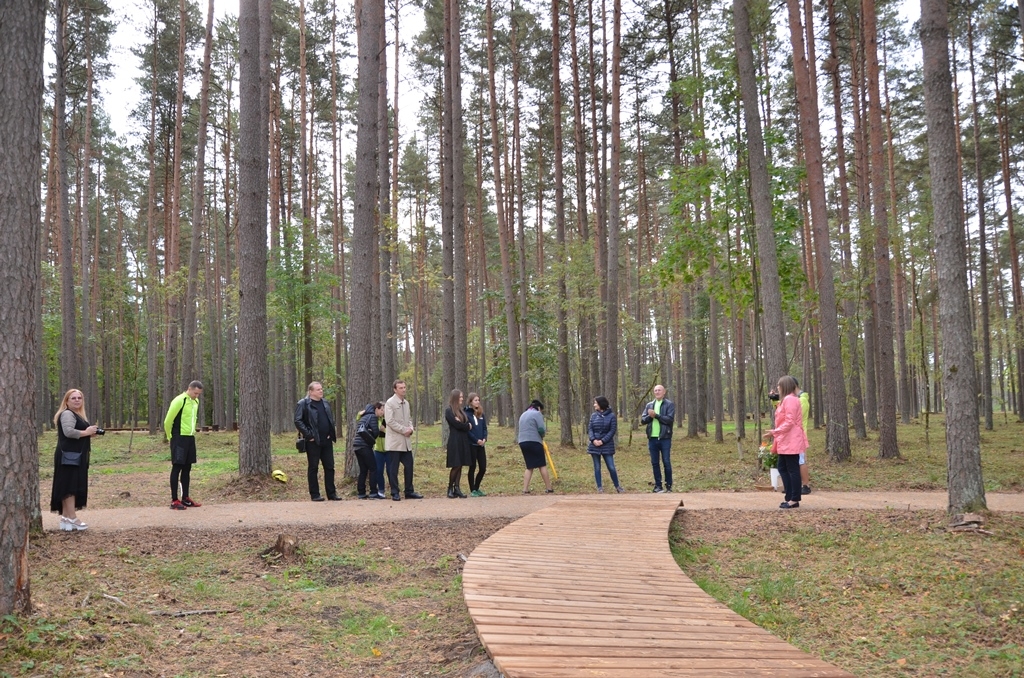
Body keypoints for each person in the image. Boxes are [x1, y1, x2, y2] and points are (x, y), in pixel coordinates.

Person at [50, 389, 99, 531]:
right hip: (69, 456)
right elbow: (69, 432)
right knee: (69, 487)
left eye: (79, 398)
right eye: (73, 398)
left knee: (68, 486)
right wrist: (86, 432)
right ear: (67, 401)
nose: (77, 400)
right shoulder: (67, 414)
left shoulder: (77, 415)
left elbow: (76, 432)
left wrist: (89, 434)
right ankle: (72, 518)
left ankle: (66, 518)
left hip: (73, 456)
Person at [762, 375, 808, 509]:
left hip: (791, 440)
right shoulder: (786, 400)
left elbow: (790, 421)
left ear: (785, 386)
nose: (777, 387)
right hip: (785, 439)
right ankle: (789, 496)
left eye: (779, 385)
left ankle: (794, 498)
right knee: (782, 467)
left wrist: (774, 432)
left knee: (792, 469)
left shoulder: (791, 400)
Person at [294, 381, 340, 502]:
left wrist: (331, 432)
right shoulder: (304, 404)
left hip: (327, 440)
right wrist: (309, 435)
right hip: (313, 442)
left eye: (321, 389)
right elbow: (298, 421)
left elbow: (330, 419)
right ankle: (315, 494)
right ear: (311, 391)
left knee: (330, 467)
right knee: (313, 467)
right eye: (318, 389)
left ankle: (332, 493)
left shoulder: (325, 403)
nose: (321, 391)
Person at [164, 380, 204, 510]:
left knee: (187, 468)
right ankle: (174, 500)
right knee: (177, 467)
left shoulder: (195, 402)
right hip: (179, 438)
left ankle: (185, 498)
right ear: (189, 389)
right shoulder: (180, 400)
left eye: (199, 394)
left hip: (189, 437)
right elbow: (168, 421)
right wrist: (171, 437)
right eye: (195, 393)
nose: (196, 396)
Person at [384, 379, 422, 500]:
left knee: (409, 465)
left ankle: (409, 490)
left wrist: (410, 428)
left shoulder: (406, 403)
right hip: (395, 442)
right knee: (393, 468)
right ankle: (395, 492)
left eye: (404, 387)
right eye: (401, 388)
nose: (403, 390)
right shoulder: (390, 403)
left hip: (406, 442)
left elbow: (409, 419)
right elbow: (389, 421)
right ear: (395, 389)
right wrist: (403, 429)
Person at [640, 384, 675, 493]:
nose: (657, 392)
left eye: (659, 390)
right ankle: (658, 486)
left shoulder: (669, 404)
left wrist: (656, 416)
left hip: (665, 438)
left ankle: (668, 486)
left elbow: (669, 419)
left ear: (664, 392)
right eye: (655, 390)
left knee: (666, 462)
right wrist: (650, 417)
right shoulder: (649, 405)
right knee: (655, 463)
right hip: (652, 438)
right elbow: (643, 420)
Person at [588, 396, 623, 493]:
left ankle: (617, 486)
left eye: (596, 403)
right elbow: (590, 429)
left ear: (601, 404)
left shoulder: (611, 416)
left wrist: (602, 441)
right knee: (597, 467)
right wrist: (593, 440)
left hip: (607, 445)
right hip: (594, 446)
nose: (594, 405)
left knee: (611, 467)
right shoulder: (593, 416)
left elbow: (612, 431)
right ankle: (599, 488)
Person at [518, 399, 553, 494]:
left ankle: (525, 489)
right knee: (542, 464)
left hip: (522, 442)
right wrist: (542, 436)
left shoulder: (523, 414)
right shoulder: (537, 414)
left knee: (529, 466)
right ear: (538, 408)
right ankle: (549, 487)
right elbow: (541, 429)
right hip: (534, 441)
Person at [354, 402, 385, 499]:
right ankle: (373, 492)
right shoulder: (372, 417)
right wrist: (380, 430)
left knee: (363, 470)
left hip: (357, 446)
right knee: (373, 468)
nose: (383, 412)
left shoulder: (364, 416)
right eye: (382, 410)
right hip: (365, 446)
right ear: (376, 409)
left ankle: (361, 492)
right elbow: (375, 432)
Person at [444, 390, 472, 498]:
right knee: (456, 465)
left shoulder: (461, 411)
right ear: (455, 398)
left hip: (463, 440)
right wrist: (464, 425)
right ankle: (450, 488)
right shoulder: (449, 411)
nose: (462, 398)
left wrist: (464, 424)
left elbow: (468, 424)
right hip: (455, 440)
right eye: (460, 397)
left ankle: (457, 488)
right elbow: (458, 425)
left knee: (460, 465)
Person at [465, 393, 488, 496]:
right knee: (472, 467)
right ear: (470, 402)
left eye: (478, 400)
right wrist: (476, 440)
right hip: (472, 445)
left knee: (483, 467)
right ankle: (472, 490)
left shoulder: (481, 414)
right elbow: (468, 431)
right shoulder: (466, 414)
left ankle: (477, 487)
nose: (477, 402)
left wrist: (484, 438)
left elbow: (484, 428)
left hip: (481, 445)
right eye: (475, 400)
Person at [798, 380, 812, 495]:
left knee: (801, 460)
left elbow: (796, 416)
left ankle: (806, 485)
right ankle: (797, 485)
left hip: (800, 435)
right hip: (794, 436)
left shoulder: (802, 400)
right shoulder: (797, 399)